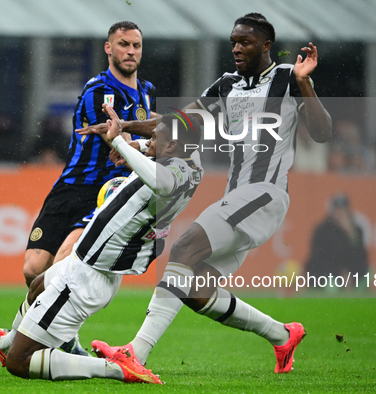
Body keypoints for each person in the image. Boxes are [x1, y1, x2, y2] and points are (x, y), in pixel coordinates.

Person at [83, 13, 332, 374]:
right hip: (237, 197)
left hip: (265, 193)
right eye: (233, 41)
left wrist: (305, 83)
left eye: (245, 42)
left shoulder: (285, 78)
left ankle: (136, 353)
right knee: (195, 289)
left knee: (184, 247)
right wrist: (127, 131)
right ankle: (282, 336)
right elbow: (181, 121)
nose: (236, 48)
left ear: (265, 46)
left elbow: (322, 132)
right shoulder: (227, 85)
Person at [0, 106, 203, 384]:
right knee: (38, 285)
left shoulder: (170, 176)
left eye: (154, 139)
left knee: (20, 363)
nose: (148, 143)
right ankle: (7, 342)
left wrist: (119, 140)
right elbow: (160, 149)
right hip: (86, 263)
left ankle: (118, 369)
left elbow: (159, 180)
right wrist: (139, 143)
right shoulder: (188, 161)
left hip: (86, 277)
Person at [23, 21, 155, 287]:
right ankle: (46, 325)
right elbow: (117, 139)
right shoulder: (99, 90)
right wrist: (148, 140)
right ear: (108, 48)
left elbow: (153, 130)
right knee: (33, 270)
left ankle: (31, 329)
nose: (131, 51)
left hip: (107, 192)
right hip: (72, 186)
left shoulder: (146, 92)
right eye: (123, 44)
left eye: (136, 46)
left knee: (62, 266)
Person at [305, 193, 369, 283]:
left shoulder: (356, 231)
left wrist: (351, 234)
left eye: (343, 210)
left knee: (368, 272)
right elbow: (320, 258)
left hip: (350, 272)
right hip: (329, 272)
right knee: (330, 281)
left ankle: (358, 295)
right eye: (337, 210)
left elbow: (361, 257)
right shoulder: (322, 230)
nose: (340, 214)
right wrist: (340, 272)